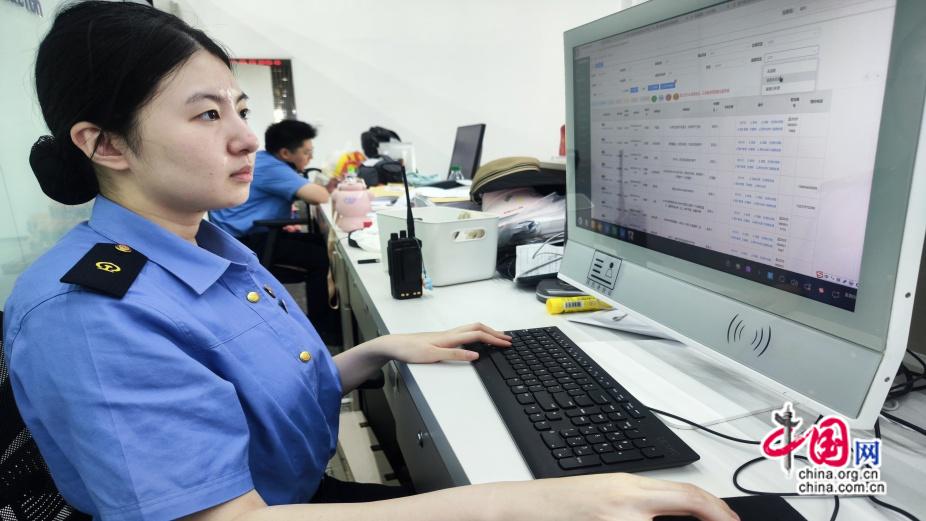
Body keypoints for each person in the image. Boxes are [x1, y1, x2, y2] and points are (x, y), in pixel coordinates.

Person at [2, 3, 739, 521]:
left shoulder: (206, 242)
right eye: (207, 114)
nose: (247, 138)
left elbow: (259, 388)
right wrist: (528, 504)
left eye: (240, 109)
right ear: (106, 144)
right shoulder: (92, 315)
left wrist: (380, 350)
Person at [209, 120, 337, 344]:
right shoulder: (272, 167)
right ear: (286, 153)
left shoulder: (265, 160)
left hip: (243, 236)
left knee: (319, 242)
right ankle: (324, 328)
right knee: (321, 258)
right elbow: (320, 196)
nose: (310, 158)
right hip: (248, 242)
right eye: (306, 152)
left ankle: (328, 319)